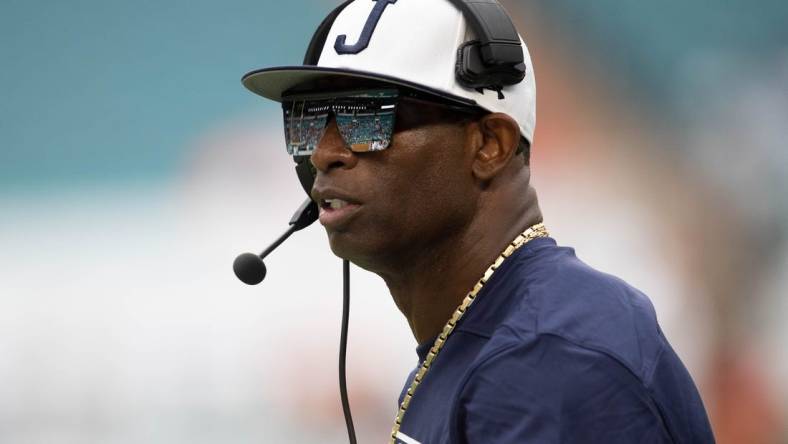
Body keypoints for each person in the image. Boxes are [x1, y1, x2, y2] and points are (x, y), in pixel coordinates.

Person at [241, 0, 715, 442]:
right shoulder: (492, 339)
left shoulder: (546, 363)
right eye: (306, 120)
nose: (324, 153)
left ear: (490, 144)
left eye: (366, 118)